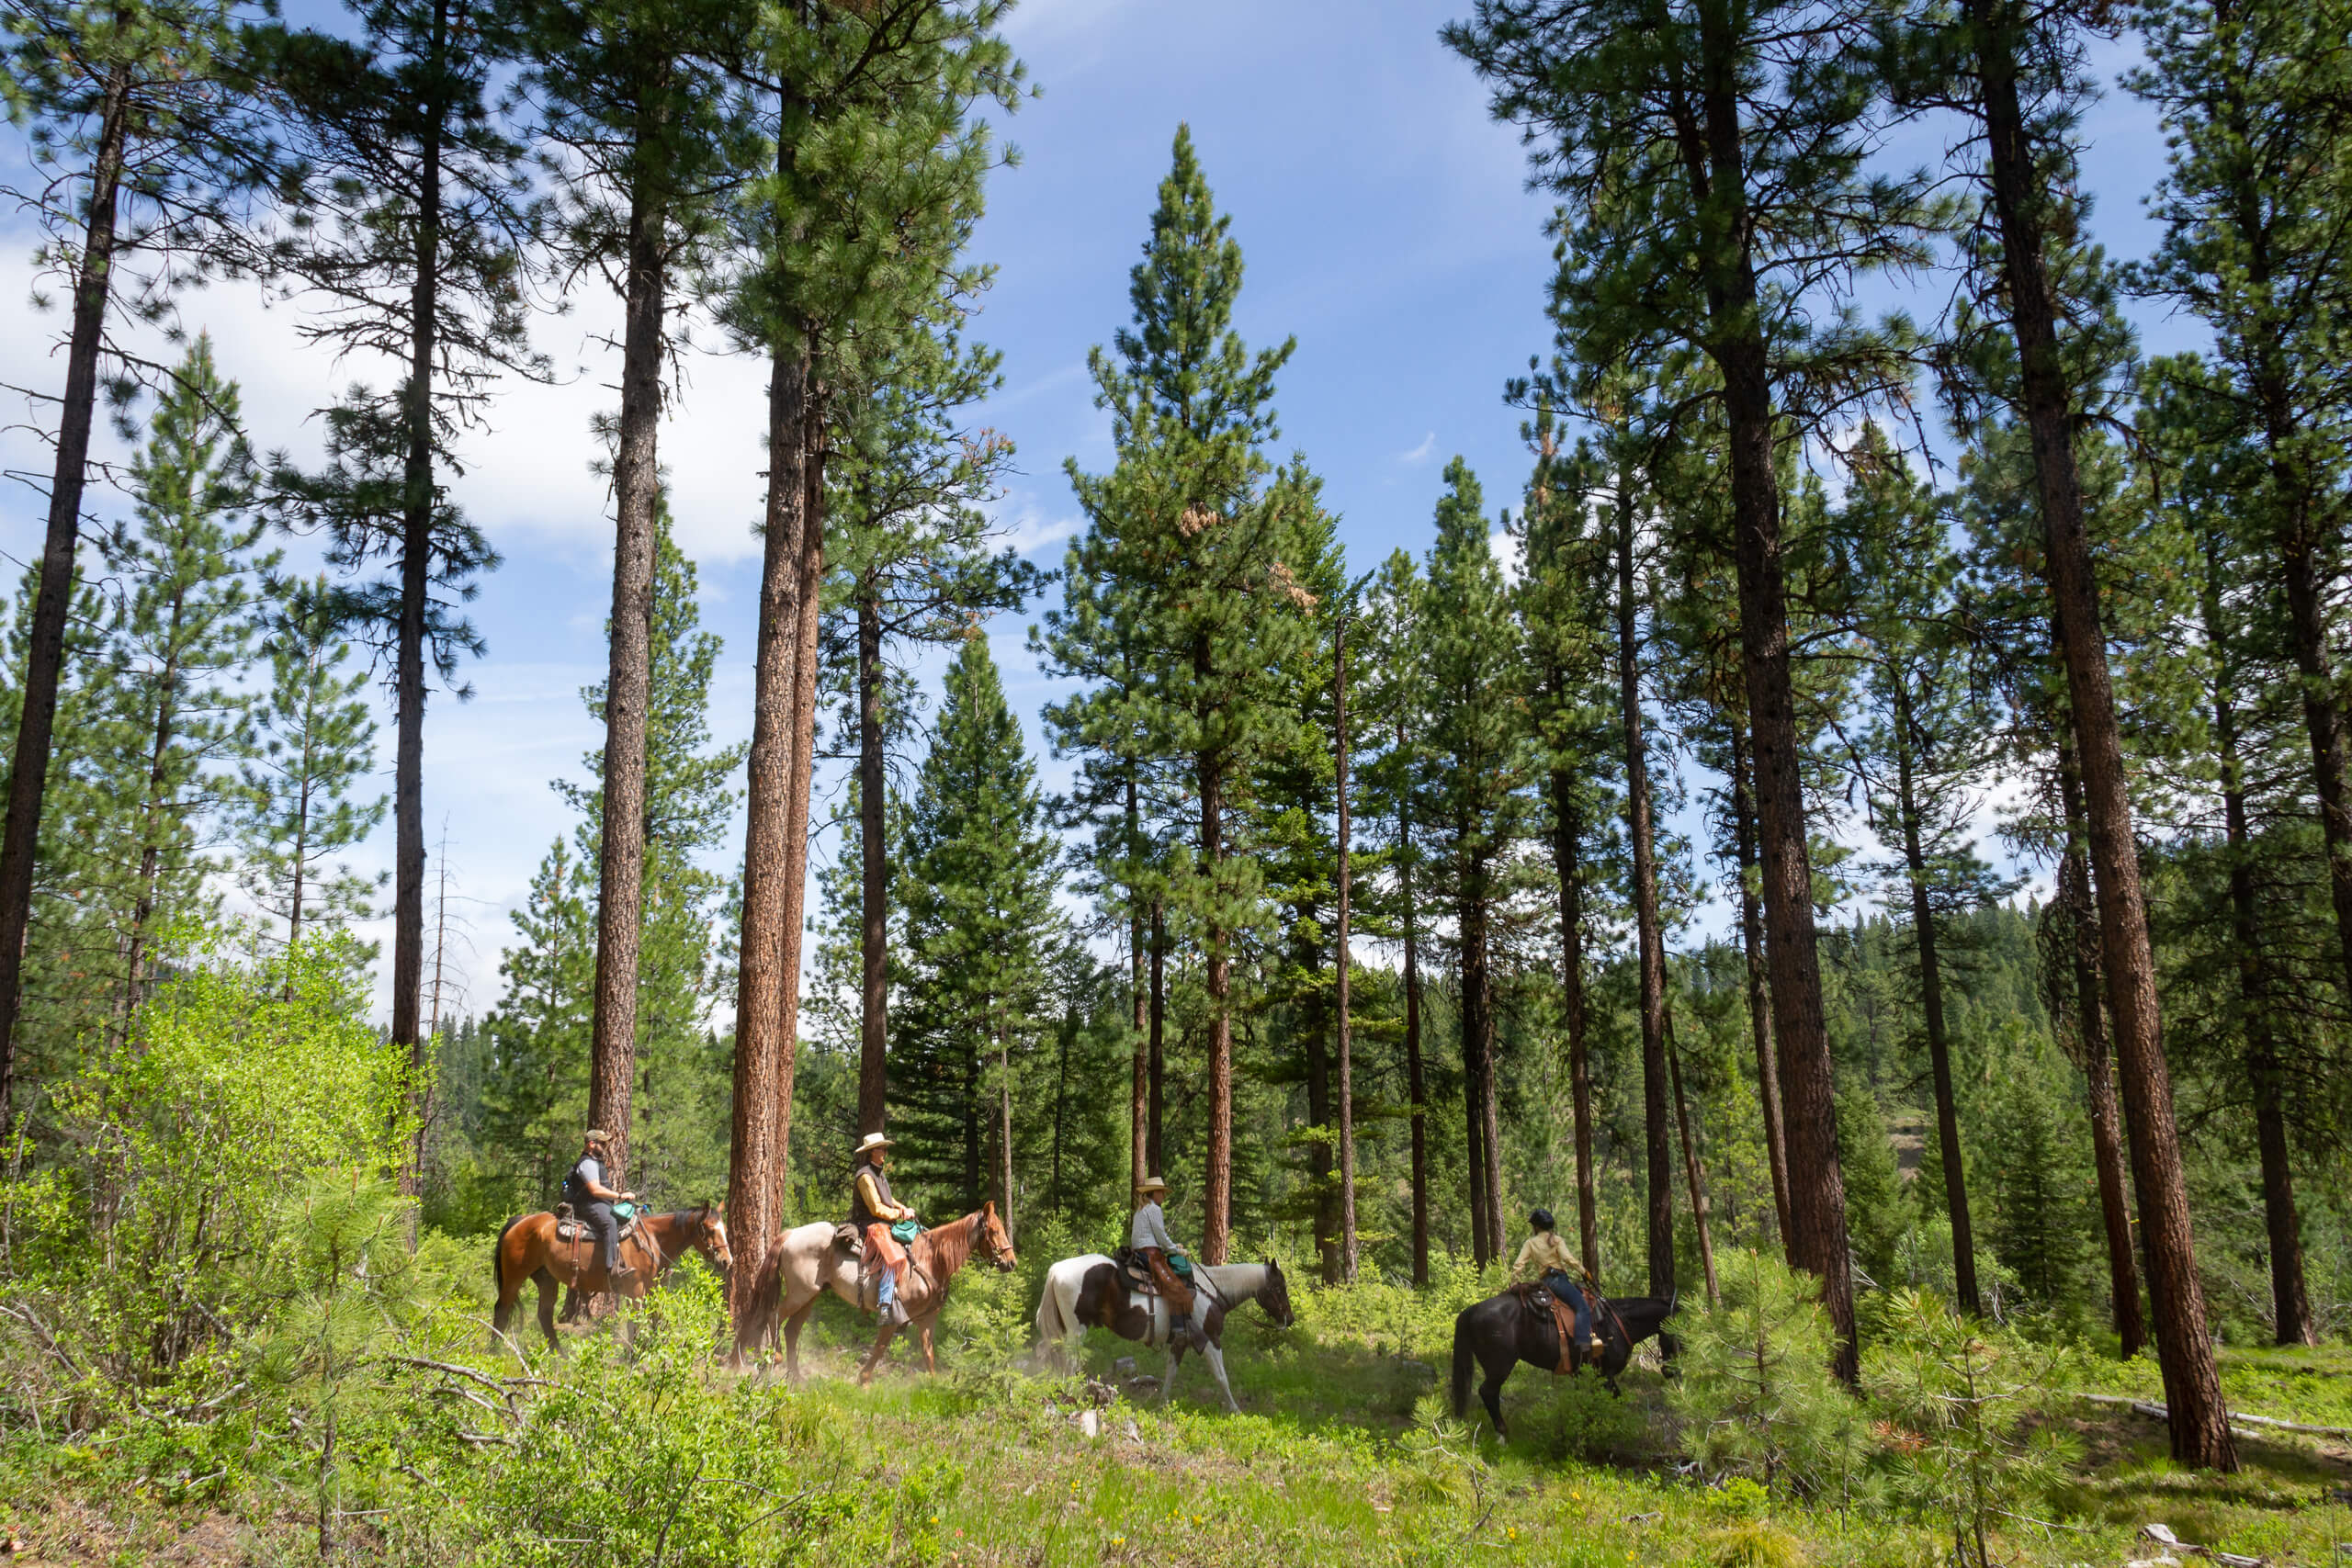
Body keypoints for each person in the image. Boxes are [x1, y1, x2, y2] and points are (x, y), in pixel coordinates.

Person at [1512, 1207, 1602, 1361]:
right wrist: (1585, 1273)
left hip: (1545, 1281)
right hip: (1559, 1280)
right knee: (1582, 1307)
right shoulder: (1556, 1240)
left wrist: (1514, 1282)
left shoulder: (1530, 1243)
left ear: (1537, 1226)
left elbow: (1519, 1264)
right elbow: (1569, 1259)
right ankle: (1583, 1344)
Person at [850, 1132, 918, 1326]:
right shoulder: (865, 1176)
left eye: (885, 1148)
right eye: (882, 1148)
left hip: (882, 1222)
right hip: (869, 1224)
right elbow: (876, 1208)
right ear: (872, 1152)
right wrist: (899, 1214)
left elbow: (888, 1199)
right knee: (890, 1257)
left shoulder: (878, 1173)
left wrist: (901, 1207)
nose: (886, 1152)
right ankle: (885, 1306)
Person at [1129, 1174, 1199, 1344]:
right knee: (1173, 1283)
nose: (1164, 1196)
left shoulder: (1142, 1210)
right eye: (1162, 1192)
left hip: (1139, 1252)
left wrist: (1173, 1246)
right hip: (1151, 1254)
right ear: (1155, 1193)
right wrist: (1176, 1250)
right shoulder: (1154, 1209)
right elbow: (1160, 1235)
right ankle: (1178, 1328)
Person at [562, 1129, 636, 1282]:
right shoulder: (587, 1163)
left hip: (598, 1202)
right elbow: (595, 1190)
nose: (605, 1146)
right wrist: (621, 1195)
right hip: (589, 1203)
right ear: (591, 1144)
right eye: (602, 1143)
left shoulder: (594, 1161)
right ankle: (612, 1268)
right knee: (610, 1222)